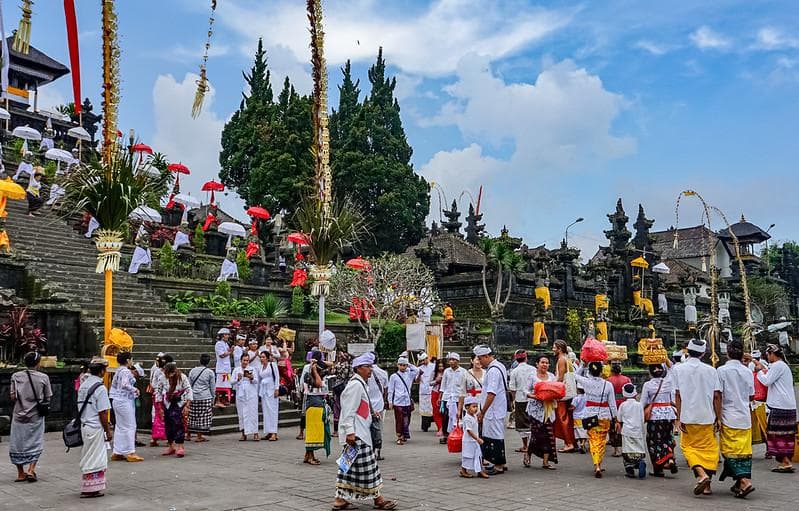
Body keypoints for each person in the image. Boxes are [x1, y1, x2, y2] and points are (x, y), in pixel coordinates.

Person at [333, 353, 397, 511]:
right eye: (367, 367)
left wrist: (370, 412)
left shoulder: (361, 384)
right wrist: (349, 432)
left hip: (359, 432)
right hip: (357, 434)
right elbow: (348, 410)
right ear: (359, 368)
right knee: (368, 467)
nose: (370, 369)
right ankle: (378, 499)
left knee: (347, 468)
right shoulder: (355, 385)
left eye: (371, 366)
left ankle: (340, 499)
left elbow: (358, 408)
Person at [672, 339, 722, 496]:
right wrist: (719, 417)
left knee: (689, 447)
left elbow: (678, 395)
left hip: (688, 416)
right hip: (707, 416)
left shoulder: (678, 369)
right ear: (703, 353)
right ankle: (707, 484)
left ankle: (701, 474)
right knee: (709, 450)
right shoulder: (711, 370)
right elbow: (716, 396)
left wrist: (678, 418)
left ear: (688, 351)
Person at [717, 340, 756, 498]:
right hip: (744, 417)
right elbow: (751, 394)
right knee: (744, 452)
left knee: (729, 451)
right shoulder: (747, 372)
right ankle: (739, 483)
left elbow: (717, 395)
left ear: (727, 353)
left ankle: (745, 481)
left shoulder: (722, 370)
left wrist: (718, 417)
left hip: (728, 416)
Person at [9, 351, 53, 482]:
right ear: (38, 363)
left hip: (18, 415)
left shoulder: (16, 376)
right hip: (36, 416)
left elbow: (12, 396)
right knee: (35, 441)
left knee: (17, 443)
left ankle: (20, 473)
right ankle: (31, 469)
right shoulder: (43, 377)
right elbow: (48, 396)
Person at [753, 343, 797, 473]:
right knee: (786, 435)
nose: (767, 357)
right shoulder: (783, 366)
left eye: (768, 354)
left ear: (772, 354)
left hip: (780, 406)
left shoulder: (778, 366)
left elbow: (766, 381)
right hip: (787, 405)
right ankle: (785, 461)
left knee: (776, 434)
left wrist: (759, 371)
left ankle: (785, 462)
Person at [575, 361, 618, 478]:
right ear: (601, 371)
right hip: (604, 416)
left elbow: (575, 375)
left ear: (590, 371)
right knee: (602, 441)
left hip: (590, 415)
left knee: (593, 441)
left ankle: (596, 464)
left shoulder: (586, 382)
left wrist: (582, 365)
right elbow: (612, 404)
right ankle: (599, 463)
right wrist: (616, 418)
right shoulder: (608, 385)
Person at [78, 357, 113, 498]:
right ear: (102, 371)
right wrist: (107, 430)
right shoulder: (100, 388)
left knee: (88, 456)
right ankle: (91, 488)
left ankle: (90, 486)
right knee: (96, 458)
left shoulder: (83, 385)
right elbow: (103, 412)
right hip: (95, 426)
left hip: (85, 424)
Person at [474, 344, 509, 474]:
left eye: (480, 358)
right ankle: (500, 462)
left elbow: (491, 393)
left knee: (495, 436)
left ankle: (499, 465)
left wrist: (482, 411)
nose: (479, 361)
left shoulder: (493, 370)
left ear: (487, 356)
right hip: (496, 408)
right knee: (494, 435)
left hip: (493, 410)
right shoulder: (499, 366)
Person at [640, 364, 678, 477]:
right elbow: (672, 399)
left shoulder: (648, 385)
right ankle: (670, 458)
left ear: (650, 372)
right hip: (668, 414)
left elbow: (643, 402)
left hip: (654, 416)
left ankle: (658, 468)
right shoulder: (669, 382)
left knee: (653, 441)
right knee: (667, 438)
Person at [524, 355, 557, 470]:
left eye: (547, 363)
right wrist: (535, 396)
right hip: (535, 410)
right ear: (537, 364)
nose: (545, 365)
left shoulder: (552, 377)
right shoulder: (532, 377)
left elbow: (556, 390)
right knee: (536, 435)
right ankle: (528, 454)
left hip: (549, 410)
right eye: (542, 362)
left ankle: (546, 461)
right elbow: (525, 391)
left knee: (548, 435)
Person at [109, 352, 143, 462]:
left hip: (116, 400)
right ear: (128, 360)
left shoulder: (118, 370)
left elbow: (114, 385)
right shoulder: (125, 371)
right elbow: (124, 384)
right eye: (131, 360)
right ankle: (130, 451)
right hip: (124, 401)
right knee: (130, 425)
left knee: (120, 426)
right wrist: (135, 389)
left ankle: (117, 451)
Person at [158, 362, 193, 458]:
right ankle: (171, 446)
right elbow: (159, 391)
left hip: (179, 403)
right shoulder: (162, 378)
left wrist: (187, 405)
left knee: (179, 425)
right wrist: (160, 407)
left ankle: (180, 446)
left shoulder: (182, 377)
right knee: (168, 425)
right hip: (167, 404)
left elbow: (188, 390)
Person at [304, 351, 331, 465]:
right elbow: (319, 384)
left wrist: (318, 362)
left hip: (318, 403)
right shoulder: (309, 375)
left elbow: (331, 364)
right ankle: (310, 456)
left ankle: (308, 455)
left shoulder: (319, 371)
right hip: (313, 404)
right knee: (312, 432)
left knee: (315, 430)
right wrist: (314, 370)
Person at [616, 383, 647, 479]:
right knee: (639, 448)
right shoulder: (639, 405)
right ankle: (639, 461)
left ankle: (630, 470)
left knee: (627, 450)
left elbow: (619, 418)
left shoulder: (623, 405)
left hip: (627, 431)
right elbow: (642, 419)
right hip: (638, 430)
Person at [387, 355, 419, 445]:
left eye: (404, 365)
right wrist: (390, 402)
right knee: (399, 419)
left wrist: (408, 364)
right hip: (398, 401)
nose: (402, 367)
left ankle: (404, 434)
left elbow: (417, 370)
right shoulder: (394, 376)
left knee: (407, 419)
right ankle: (399, 436)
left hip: (407, 401)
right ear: (397, 365)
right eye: (400, 365)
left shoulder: (410, 374)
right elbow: (391, 390)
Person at [508, 349, 535, 453]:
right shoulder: (533, 369)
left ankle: (525, 445)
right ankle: (533, 444)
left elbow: (512, 388)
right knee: (532, 421)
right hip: (532, 398)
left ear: (516, 359)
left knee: (522, 424)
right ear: (526, 358)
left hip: (520, 399)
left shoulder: (514, 371)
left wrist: (513, 400)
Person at [553, 340, 576, 453]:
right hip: (569, 392)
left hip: (563, 393)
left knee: (562, 418)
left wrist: (552, 388)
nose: (553, 349)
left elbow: (560, 378)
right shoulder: (567, 358)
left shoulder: (562, 359)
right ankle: (571, 441)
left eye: (554, 347)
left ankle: (569, 443)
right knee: (568, 417)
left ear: (559, 349)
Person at [187, 354, 216, 443]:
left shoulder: (193, 370)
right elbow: (212, 387)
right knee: (202, 417)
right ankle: (199, 436)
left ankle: (188, 434)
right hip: (205, 396)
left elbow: (189, 384)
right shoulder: (210, 372)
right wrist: (213, 398)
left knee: (192, 415)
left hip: (194, 396)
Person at [231, 353, 260, 441]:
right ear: (241, 360)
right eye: (244, 360)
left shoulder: (252, 369)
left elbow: (256, 381)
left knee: (253, 413)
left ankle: (255, 433)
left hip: (251, 393)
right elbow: (231, 382)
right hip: (241, 393)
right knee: (242, 414)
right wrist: (237, 379)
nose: (245, 362)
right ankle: (243, 433)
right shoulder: (236, 370)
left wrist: (251, 378)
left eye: (247, 360)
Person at [366, 352, 389, 461]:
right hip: (379, 405)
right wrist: (385, 401)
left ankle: (369, 451)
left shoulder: (363, 373)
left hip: (366, 405)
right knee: (379, 428)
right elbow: (385, 390)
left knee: (367, 428)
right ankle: (378, 452)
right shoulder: (383, 373)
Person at [440, 352, 466, 444]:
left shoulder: (463, 372)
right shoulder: (447, 371)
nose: (451, 362)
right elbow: (443, 385)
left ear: (458, 361)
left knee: (458, 417)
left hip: (458, 398)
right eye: (450, 360)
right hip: (447, 397)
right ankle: (445, 435)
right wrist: (440, 397)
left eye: (453, 360)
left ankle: (458, 434)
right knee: (445, 417)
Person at [460, 395, 488, 479]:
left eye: (476, 406)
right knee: (468, 456)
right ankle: (463, 470)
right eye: (473, 406)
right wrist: (477, 438)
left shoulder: (474, 416)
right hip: (469, 441)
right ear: (467, 407)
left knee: (477, 455)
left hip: (474, 441)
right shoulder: (467, 418)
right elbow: (469, 431)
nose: (475, 409)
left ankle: (479, 471)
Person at [606, 363, 631, 458]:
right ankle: (625, 447)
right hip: (624, 402)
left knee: (613, 427)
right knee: (624, 425)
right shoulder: (626, 379)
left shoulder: (609, 380)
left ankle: (616, 450)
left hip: (612, 403)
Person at [258, 350, 280, 441]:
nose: (262, 359)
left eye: (263, 357)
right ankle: (269, 431)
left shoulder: (272, 365)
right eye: (261, 357)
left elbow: (277, 376)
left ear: (267, 357)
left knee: (272, 411)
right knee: (266, 412)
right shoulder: (260, 367)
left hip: (272, 390)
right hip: (264, 391)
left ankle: (274, 432)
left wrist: (276, 388)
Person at [148, 353, 168, 446]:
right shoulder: (167, 372)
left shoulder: (156, 371)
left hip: (156, 396)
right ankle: (168, 438)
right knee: (166, 416)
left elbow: (152, 384)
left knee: (156, 416)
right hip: (165, 396)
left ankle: (154, 438)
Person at [214, 328, 233, 408]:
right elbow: (221, 355)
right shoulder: (219, 344)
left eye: (228, 334)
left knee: (225, 385)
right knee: (219, 385)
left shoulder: (226, 344)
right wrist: (230, 352)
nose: (227, 336)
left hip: (226, 368)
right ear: (222, 336)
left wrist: (229, 351)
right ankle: (218, 400)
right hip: (221, 368)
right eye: (226, 334)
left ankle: (223, 399)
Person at [417, 352, 435, 432]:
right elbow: (417, 380)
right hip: (423, 391)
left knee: (432, 408)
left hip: (431, 389)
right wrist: (419, 375)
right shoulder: (420, 368)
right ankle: (425, 425)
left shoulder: (434, 366)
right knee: (424, 409)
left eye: (424, 360)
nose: (423, 362)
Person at [429, 358, 446, 437]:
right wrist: (436, 381)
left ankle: (444, 427)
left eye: (442, 366)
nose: (441, 368)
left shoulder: (447, 372)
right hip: (435, 393)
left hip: (444, 393)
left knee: (444, 411)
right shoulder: (434, 373)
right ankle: (440, 427)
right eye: (439, 366)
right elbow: (430, 383)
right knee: (436, 411)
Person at [571, 385, 588, 453]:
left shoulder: (576, 398)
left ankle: (581, 443)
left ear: (578, 390)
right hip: (585, 416)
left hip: (577, 417)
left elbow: (573, 407)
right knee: (584, 431)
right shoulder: (586, 397)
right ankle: (583, 443)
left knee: (578, 432)